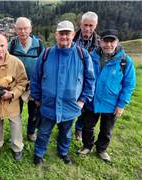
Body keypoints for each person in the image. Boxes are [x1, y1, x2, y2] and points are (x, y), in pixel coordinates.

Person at [30, 20, 95, 165]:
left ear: (73, 35)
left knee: (66, 132)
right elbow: (36, 78)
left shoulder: (82, 55)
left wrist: (82, 101)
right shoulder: (46, 54)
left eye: (67, 33)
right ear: (56, 35)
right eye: (61, 33)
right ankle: (39, 154)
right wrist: (37, 98)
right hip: (48, 104)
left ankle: (63, 152)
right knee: (43, 132)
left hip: (70, 105)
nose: (64, 37)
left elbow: (90, 80)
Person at [78, 29, 136, 162]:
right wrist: (82, 98)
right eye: (105, 41)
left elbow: (129, 85)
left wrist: (121, 105)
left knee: (106, 130)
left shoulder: (125, 61)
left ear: (117, 42)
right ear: (100, 41)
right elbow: (83, 78)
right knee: (87, 127)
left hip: (112, 103)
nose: (108, 44)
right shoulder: (90, 57)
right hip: (91, 101)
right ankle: (87, 146)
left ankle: (101, 149)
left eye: (112, 41)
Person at [8, 17, 44, 142]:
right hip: (16, 85)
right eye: (20, 29)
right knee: (15, 112)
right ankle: (16, 135)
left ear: (30, 29)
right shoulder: (12, 45)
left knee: (33, 112)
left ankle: (30, 132)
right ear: (15, 30)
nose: (23, 31)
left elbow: (43, 66)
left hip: (33, 86)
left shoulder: (38, 45)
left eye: (25, 28)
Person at [73, 11, 100, 141]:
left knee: (85, 106)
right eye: (85, 25)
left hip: (89, 80)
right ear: (81, 24)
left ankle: (78, 129)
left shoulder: (99, 44)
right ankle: (63, 128)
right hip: (72, 79)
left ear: (95, 26)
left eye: (91, 25)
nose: (87, 28)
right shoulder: (72, 38)